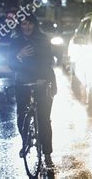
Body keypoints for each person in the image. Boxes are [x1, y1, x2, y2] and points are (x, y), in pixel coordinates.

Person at [9, 14, 57, 168]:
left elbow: (46, 60)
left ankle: (48, 154)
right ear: (20, 26)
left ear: (35, 25)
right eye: (23, 24)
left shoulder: (43, 40)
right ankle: (25, 143)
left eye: (29, 24)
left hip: (43, 80)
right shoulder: (16, 41)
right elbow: (11, 64)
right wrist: (19, 56)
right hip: (23, 82)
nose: (27, 27)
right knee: (21, 116)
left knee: (44, 118)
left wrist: (42, 79)